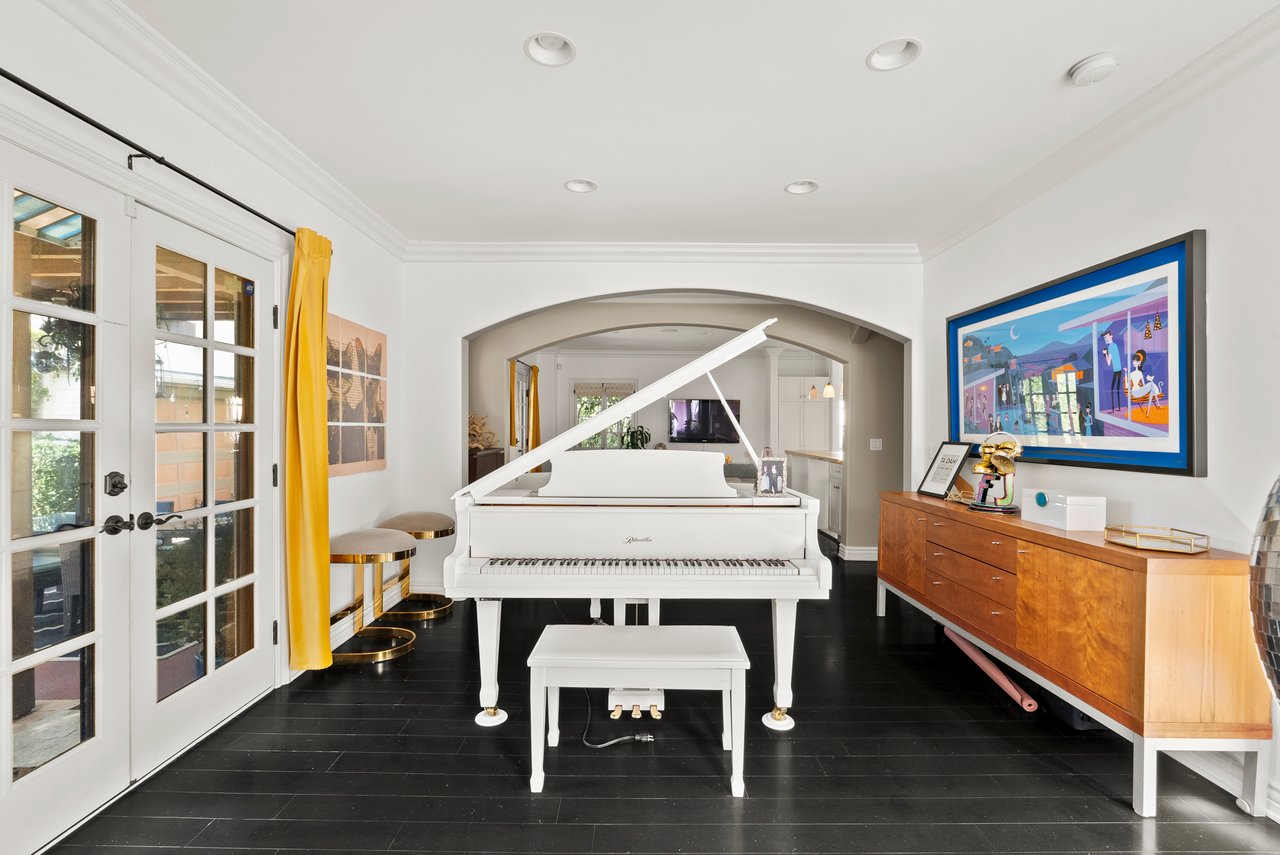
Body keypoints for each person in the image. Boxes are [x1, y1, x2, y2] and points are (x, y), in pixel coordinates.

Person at [1101, 330, 1123, 411]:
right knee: (1116, 389)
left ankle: (1114, 409)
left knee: (1113, 389)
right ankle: (1117, 408)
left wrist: (1105, 353)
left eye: (1107, 336)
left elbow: (1108, 363)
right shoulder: (1114, 345)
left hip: (1117, 371)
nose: (1106, 338)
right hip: (1118, 370)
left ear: (1111, 336)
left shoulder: (1111, 347)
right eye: (1105, 337)